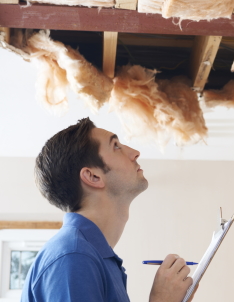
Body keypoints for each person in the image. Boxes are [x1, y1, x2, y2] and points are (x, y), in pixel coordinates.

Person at [21, 118, 197, 302]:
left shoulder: (93, 258)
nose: (135, 153)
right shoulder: (75, 257)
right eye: (116, 146)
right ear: (93, 176)